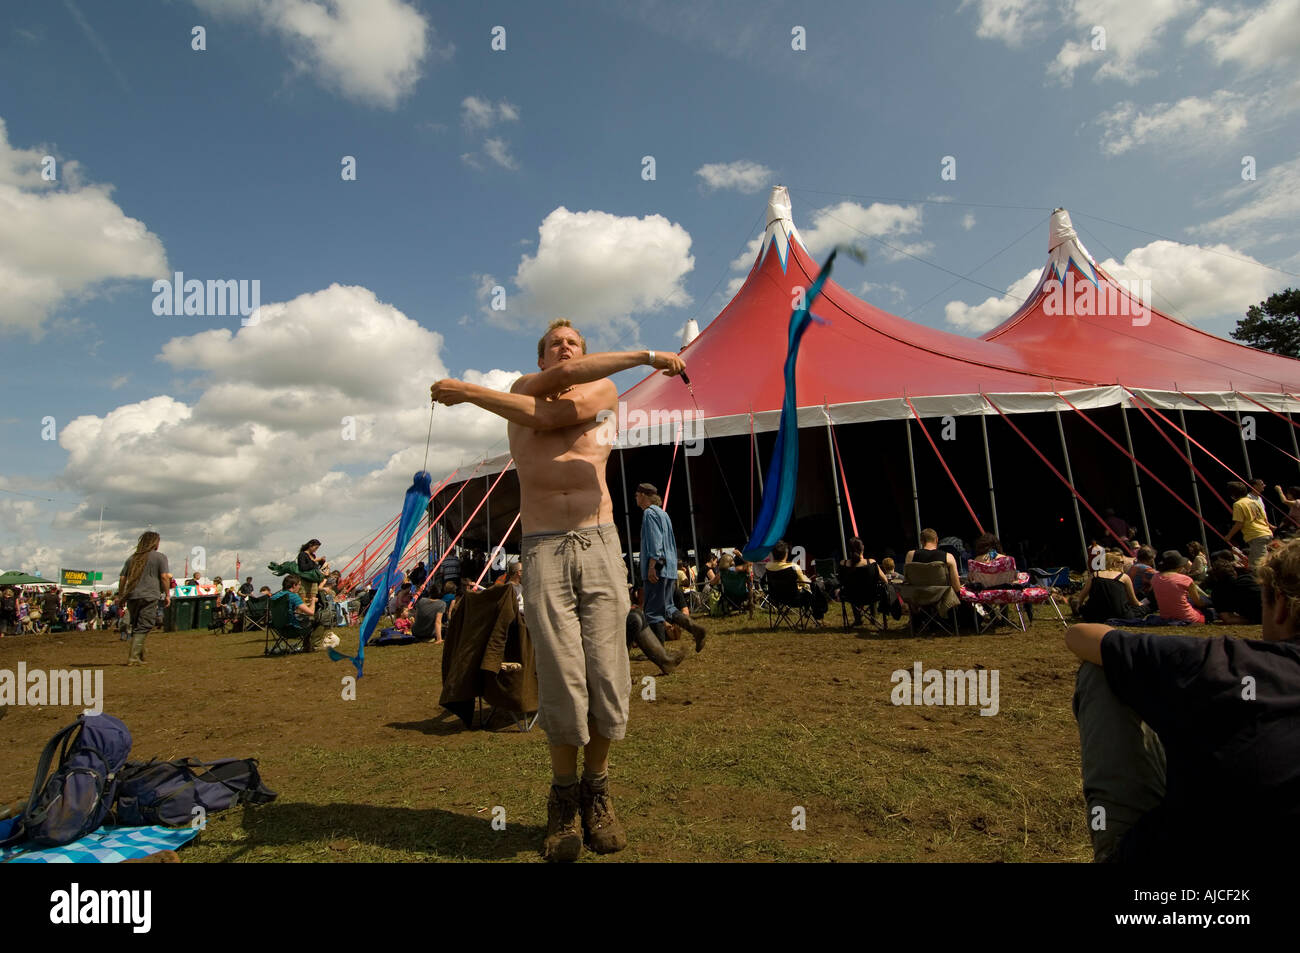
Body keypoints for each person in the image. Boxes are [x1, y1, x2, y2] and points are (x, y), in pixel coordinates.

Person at [431, 317, 686, 862]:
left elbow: (554, 415)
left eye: (573, 344)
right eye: (555, 346)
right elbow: (540, 411)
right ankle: (564, 797)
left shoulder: (603, 390)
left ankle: (598, 789)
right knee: (563, 676)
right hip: (543, 546)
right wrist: (487, 395)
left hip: (599, 542)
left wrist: (469, 392)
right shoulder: (522, 391)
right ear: (541, 359)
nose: (564, 351)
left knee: (608, 674)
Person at [1065, 540, 1300, 862]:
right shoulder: (1155, 580)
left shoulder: (1220, 660)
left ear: (1282, 606)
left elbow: (1078, 633)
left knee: (1102, 669)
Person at [636, 482, 707, 650]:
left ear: (644, 496)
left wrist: (652, 566)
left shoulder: (649, 514)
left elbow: (655, 541)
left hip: (658, 566)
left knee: (652, 611)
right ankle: (696, 630)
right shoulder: (663, 514)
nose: (636, 498)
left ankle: (659, 652)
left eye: (637, 495)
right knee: (667, 608)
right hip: (668, 567)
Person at [118, 531, 173, 665]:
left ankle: (140, 656)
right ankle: (133, 657)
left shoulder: (132, 558)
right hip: (149, 594)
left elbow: (122, 578)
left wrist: (121, 595)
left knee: (137, 625)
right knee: (145, 625)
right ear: (155, 543)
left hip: (132, 595)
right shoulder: (160, 557)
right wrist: (167, 594)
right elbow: (165, 576)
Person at [765, 539, 828, 622]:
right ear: (786, 554)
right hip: (795, 599)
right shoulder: (793, 567)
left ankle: (818, 614)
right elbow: (805, 584)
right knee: (815, 588)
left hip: (776, 598)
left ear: (773, 555)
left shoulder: (768, 567)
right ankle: (819, 615)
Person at [1075, 552, 1142, 623]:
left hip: (1093, 615)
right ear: (1114, 563)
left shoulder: (1094, 575)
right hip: (1120, 615)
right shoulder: (1124, 577)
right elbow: (1134, 602)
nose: (1124, 564)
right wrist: (1142, 605)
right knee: (1142, 609)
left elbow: (1081, 597)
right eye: (1122, 562)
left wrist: (1080, 609)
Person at [1149, 550, 1213, 624]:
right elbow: (1199, 603)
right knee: (1208, 604)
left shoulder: (1155, 577)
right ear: (1179, 566)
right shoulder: (1185, 579)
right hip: (1189, 618)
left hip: (1166, 616)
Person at [1206, 549, 1262, 625]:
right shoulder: (1250, 578)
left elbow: (1228, 619)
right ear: (1234, 572)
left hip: (1261, 617)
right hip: (1276, 612)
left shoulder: (1217, 593)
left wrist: (1253, 620)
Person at [1226, 481, 1272, 569]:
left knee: (1260, 565)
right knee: (1252, 564)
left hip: (1256, 535)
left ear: (1233, 495)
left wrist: (1229, 536)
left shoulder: (1238, 504)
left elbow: (1239, 523)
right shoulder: (1254, 502)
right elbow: (1264, 518)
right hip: (1266, 533)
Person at [904, 529, 962, 597]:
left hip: (919, 599)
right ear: (936, 540)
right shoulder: (948, 557)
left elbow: (907, 580)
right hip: (942, 600)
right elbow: (956, 587)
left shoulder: (910, 555)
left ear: (921, 541)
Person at [270, 574, 320, 649]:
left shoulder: (274, 597)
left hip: (278, 628)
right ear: (294, 585)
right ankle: (311, 645)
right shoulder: (293, 596)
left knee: (302, 618)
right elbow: (311, 612)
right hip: (292, 629)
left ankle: (307, 645)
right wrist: (313, 600)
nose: (299, 587)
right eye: (299, 585)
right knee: (319, 619)